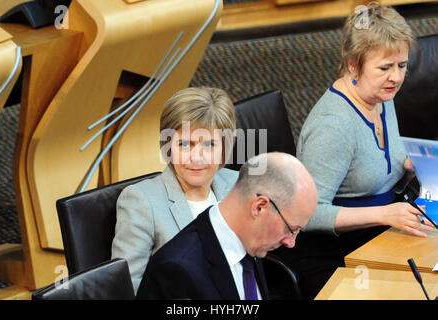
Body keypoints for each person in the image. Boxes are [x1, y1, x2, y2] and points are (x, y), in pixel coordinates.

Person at [275, 2, 435, 300]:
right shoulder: (333, 126)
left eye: (402, 66)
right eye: (385, 68)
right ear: (353, 65)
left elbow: (377, 160)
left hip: (382, 233)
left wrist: (409, 163)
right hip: (334, 254)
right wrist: (384, 214)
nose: (397, 78)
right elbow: (306, 215)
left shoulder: (380, 96)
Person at [135, 152, 318, 300]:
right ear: (259, 207)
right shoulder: (177, 273)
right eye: (291, 229)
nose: (291, 242)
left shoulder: (251, 241)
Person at [111, 87, 238, 293]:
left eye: (209, 145)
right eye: (185, 144)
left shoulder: (237, 185)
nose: (197, 157)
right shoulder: (141, 203)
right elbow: (125, 290)